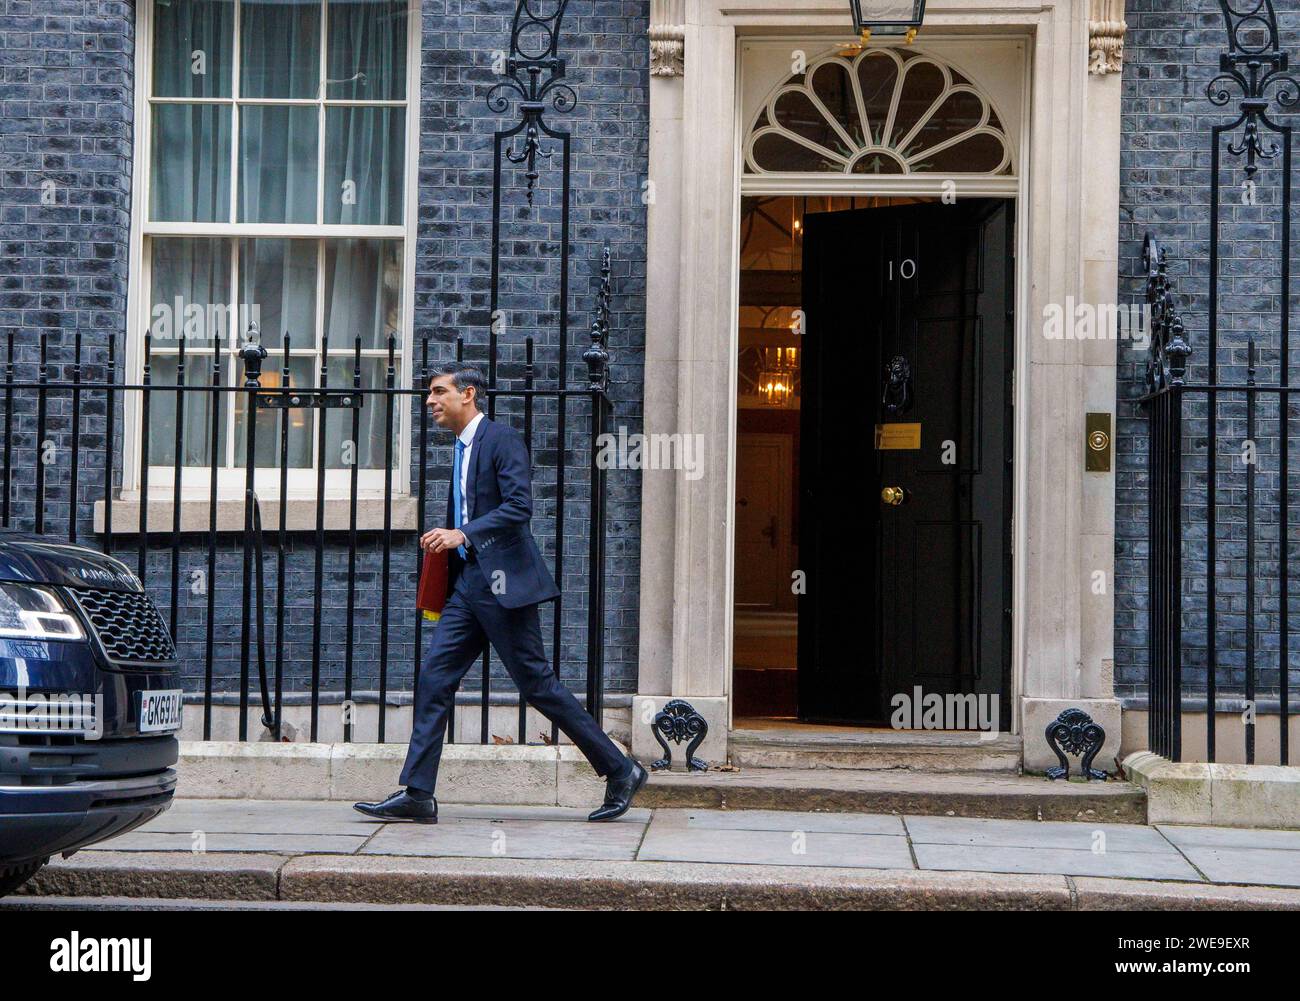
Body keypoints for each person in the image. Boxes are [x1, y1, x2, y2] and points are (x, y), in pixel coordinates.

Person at [354, 361, 647, 824]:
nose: (429, 402)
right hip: (468, 586)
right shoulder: (460, 448)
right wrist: (453, 545)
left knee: (537, 684)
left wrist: (461, 534)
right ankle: (417, 793)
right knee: (434, 678)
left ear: (467, 394)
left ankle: (619, 768)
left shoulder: (501, 441)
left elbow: (519, 507)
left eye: (437, 392)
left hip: (502, 584)